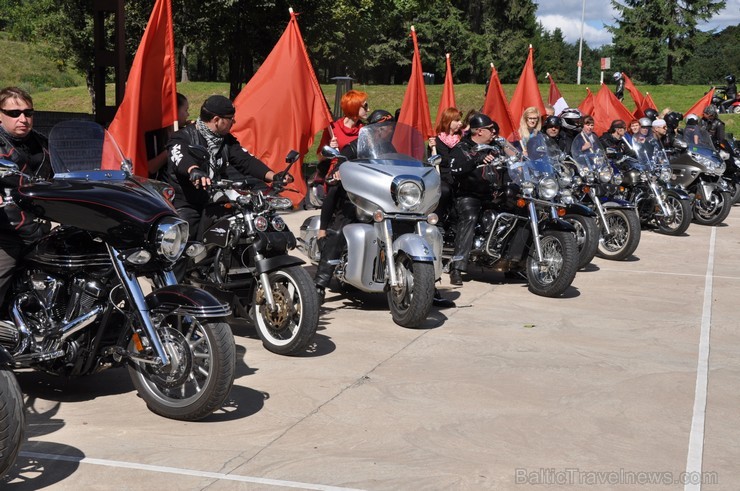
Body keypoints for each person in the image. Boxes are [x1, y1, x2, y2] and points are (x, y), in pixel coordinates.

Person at [164, 95, 288, 249]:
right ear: (217, 120)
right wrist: (194, 170)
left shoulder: (225, 140)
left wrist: (273, 176)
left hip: (215, 199)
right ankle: (178, 272)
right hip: (188, 202)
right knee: (182, 244)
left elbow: (245, 160)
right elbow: (179, 157)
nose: (233, 122)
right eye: (230, 118)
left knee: (239, 226)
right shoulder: (183, 137)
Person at [0, 86, 53, 301]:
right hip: (9, 230)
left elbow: (66, 174)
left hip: (48, 224)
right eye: (14, 113)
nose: (23, 118)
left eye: (28, 113)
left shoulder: (43, 143)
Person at [447, 113, 501, 286]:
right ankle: (457, 266)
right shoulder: (462, 148)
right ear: (478, 131)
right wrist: (476, 160)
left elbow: (514, 159)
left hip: (492, 193)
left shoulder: (495, 146)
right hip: (469, 195)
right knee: (470, 217)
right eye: (490, 129)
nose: (493, 132)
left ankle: (516, 264)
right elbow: (455, 169)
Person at [429, 107, 464, 221]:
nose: (460, 123)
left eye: (460, 120)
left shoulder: (462, 140)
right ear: (449, 121)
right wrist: (431, 149)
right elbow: (432, 162)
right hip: (443, 177)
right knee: (444, 191)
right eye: (457, 120)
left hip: (459, 176)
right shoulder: (437, 142)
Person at [147, 92, 191, 178]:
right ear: (174, 111)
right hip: (158, 185)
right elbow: (150, 168)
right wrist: (173, 148)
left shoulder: (183, 131)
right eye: (186, 110)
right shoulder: (154, 135)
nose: (188, 114)